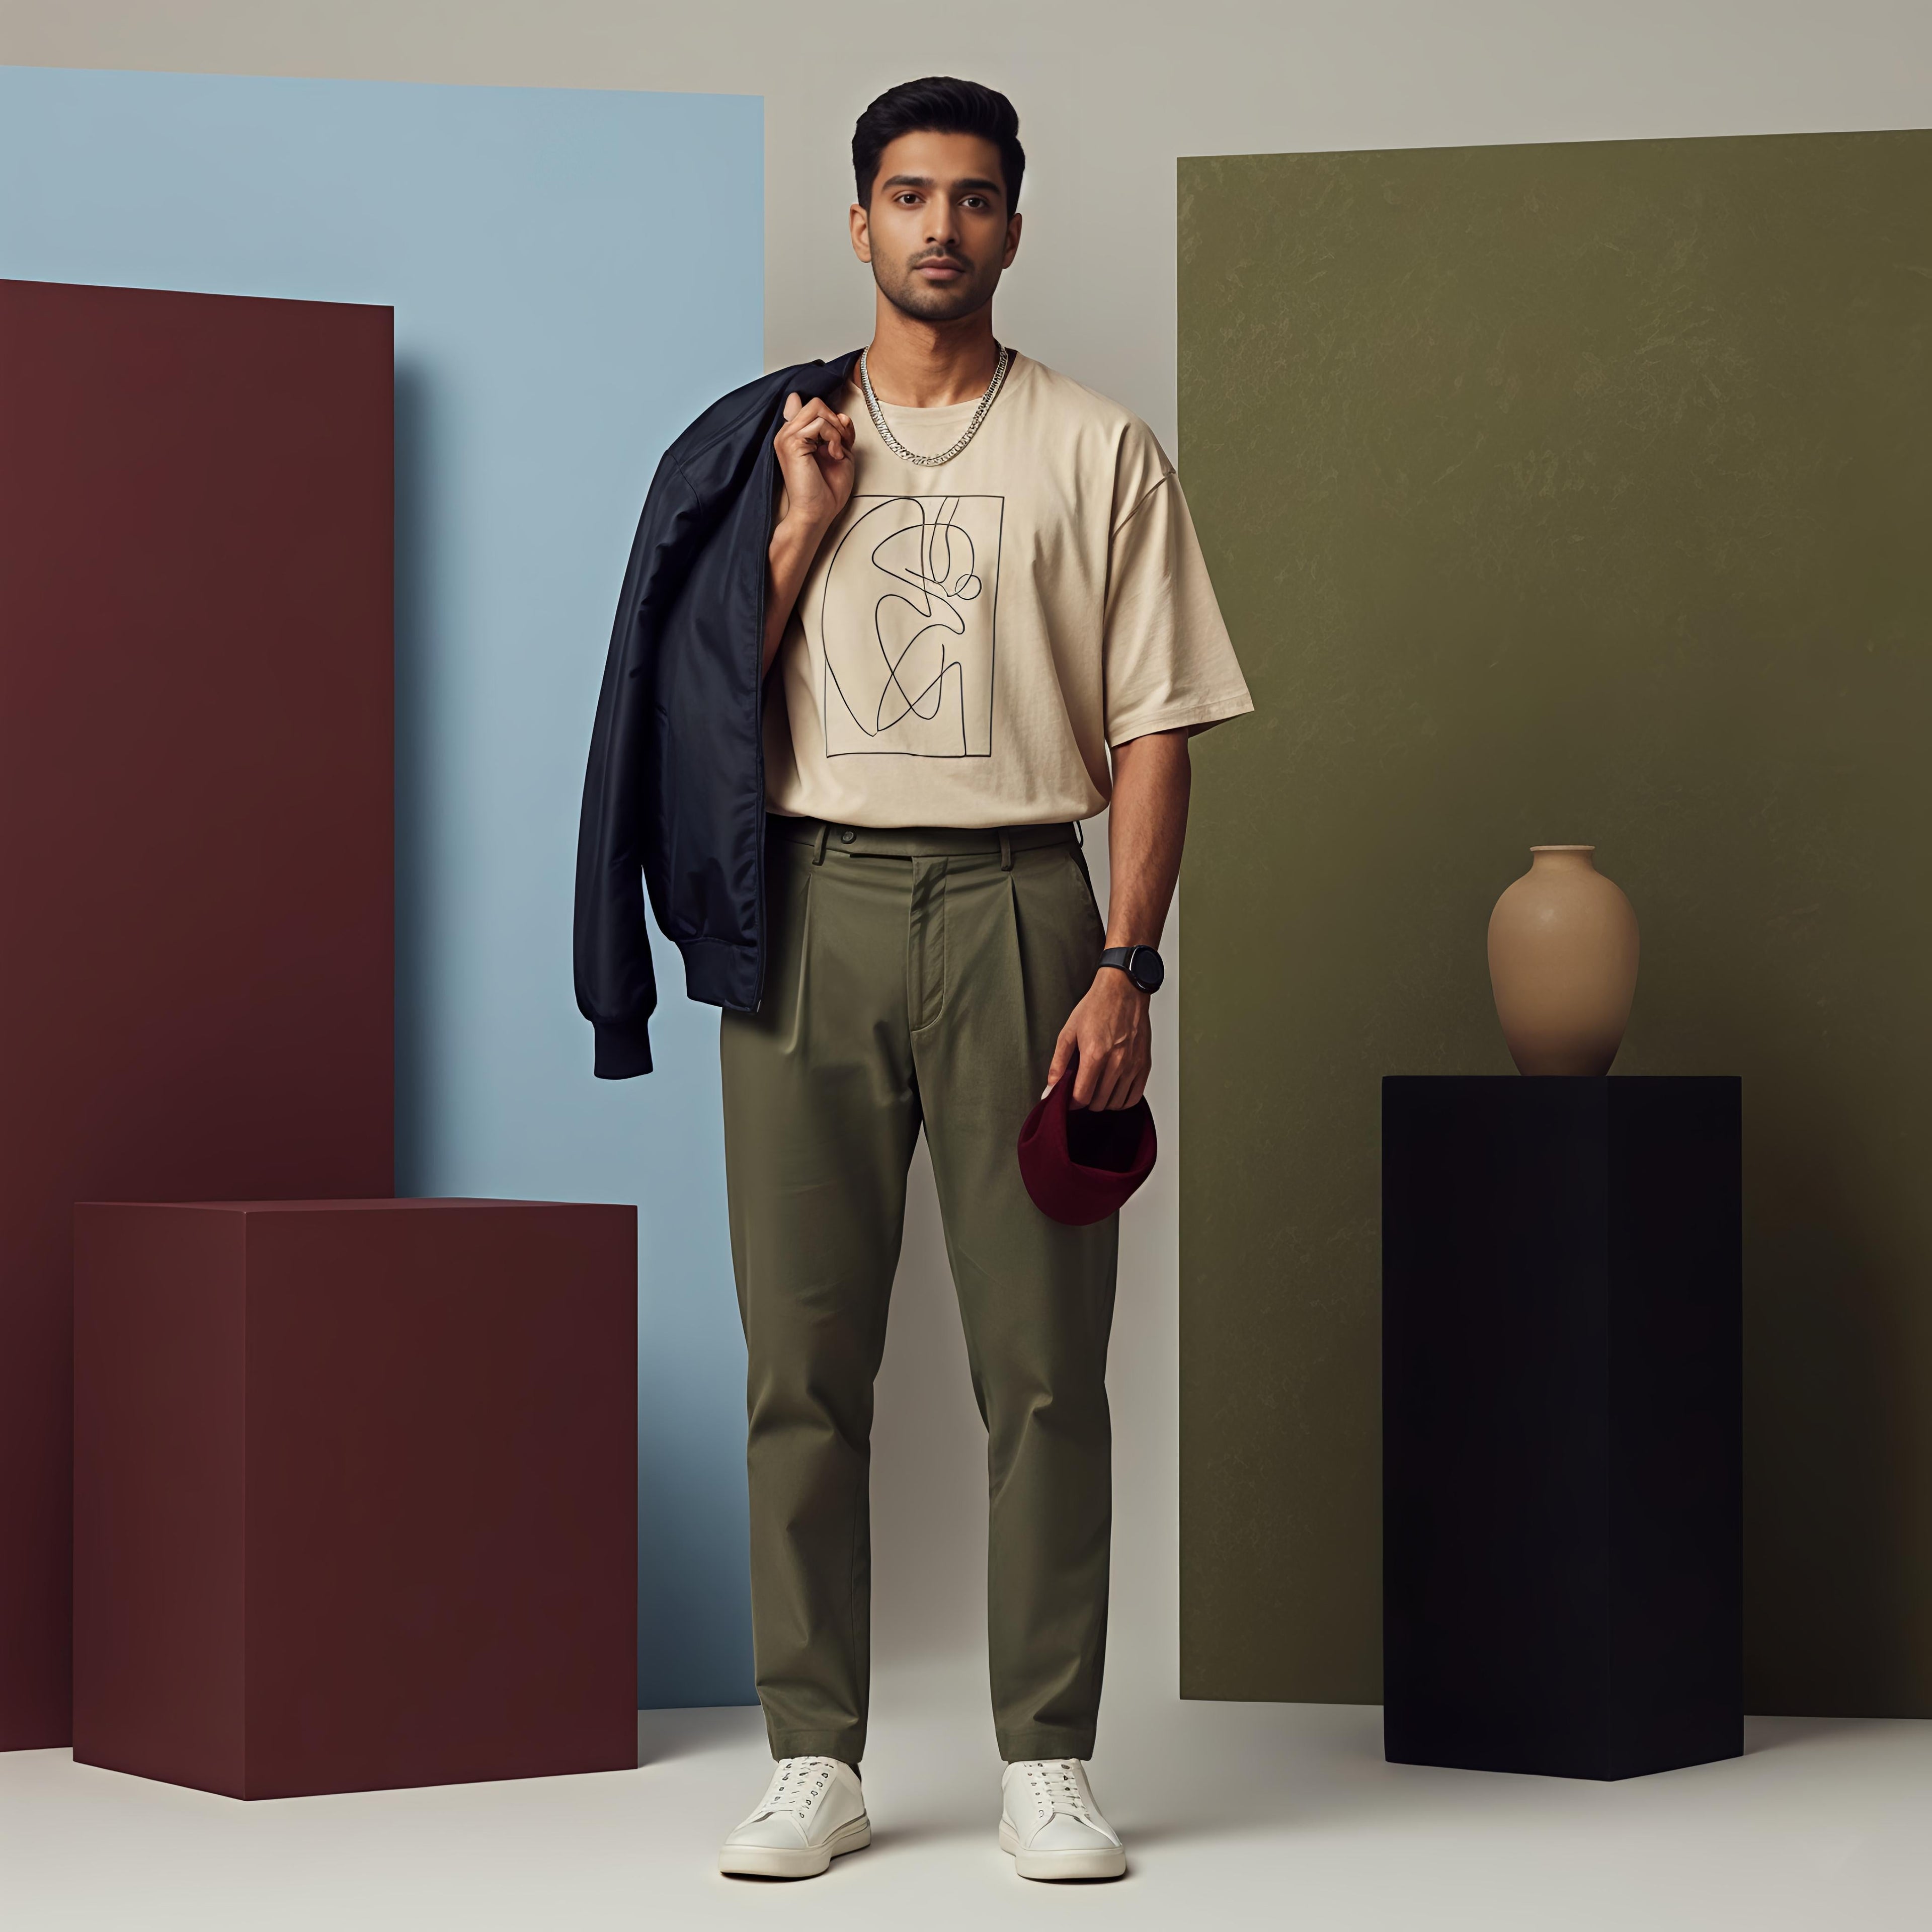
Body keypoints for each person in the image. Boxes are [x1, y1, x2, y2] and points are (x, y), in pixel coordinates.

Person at [574, 74, 1251, 1885]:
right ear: (859, 221)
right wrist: (801, 526)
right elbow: (698, 700)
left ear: (1013, 226)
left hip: (1028, 904)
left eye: (971, 197)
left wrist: (1128, 962)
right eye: (906, 194)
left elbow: (1157, 727)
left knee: (1047, 1368)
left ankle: (1048, 1757)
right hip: (807, 908)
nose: (939, 225)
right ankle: (815, 1756)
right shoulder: (773, 445)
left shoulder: (1098, 448)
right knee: (801, 1363)